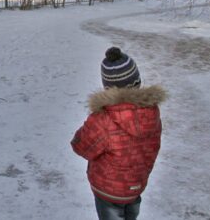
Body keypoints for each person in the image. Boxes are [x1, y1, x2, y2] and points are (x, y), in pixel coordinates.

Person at [71, 47, 166, 220]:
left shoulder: (103, 118)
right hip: (136, 185)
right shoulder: (152, 112)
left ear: (108, 88)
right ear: (137, 80)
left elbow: (81, 147)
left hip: (108, 191)